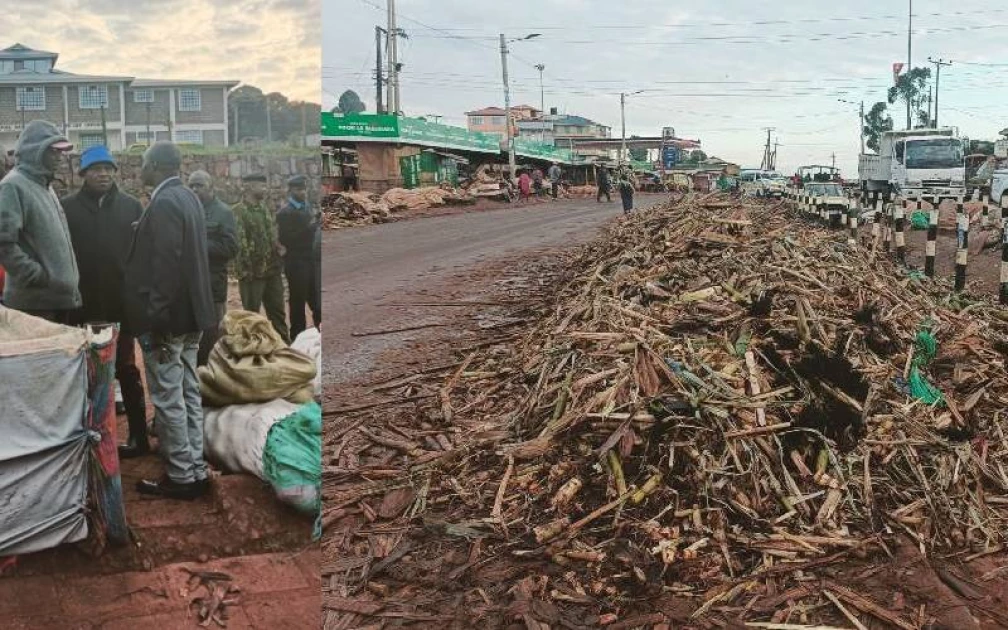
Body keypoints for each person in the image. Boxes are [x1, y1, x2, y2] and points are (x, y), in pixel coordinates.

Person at [124, 141, 215, 500]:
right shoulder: (188, 198)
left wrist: (155, 316)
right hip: (193, 316)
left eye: (144, 163)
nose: (140, 169)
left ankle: (180, 476)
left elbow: (167, 264)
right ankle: (194, 467)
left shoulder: (163, 203)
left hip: (169, 320)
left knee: (168, 397)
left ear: (158, 166)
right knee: (189, 391)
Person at [62, 145, 150, 458]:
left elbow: (143, 255)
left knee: (126, 368)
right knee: (87, 374)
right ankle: (89, 438)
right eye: (95, 169)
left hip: (120, 305)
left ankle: (139, 437)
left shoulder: (130, 208)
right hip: (82, 306)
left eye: (108, 168)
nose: (103, 174)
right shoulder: (67, 208)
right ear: (83, 174)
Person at [0, 120, 80, 322]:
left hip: (55, 301)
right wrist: (37, 277)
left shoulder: (45, 185)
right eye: (53, 151)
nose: (59, 157)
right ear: (35, 151)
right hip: (34, 305)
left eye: (61, 152)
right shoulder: (13, 185)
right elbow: (4, 243)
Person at [188, 170, 238, 366]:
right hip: (190, 284)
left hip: (212, 283)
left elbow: (231, 247)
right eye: (191, 185)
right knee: (192, 334)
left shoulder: (223, 212)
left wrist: (199, 244)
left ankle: (212, 377)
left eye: (199, 185)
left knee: (212, 334)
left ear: (211, 187)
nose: (194, 189)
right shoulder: (188, 209)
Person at [233, 173, 289, 343]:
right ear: (249, 187)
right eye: (261, 186)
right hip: (252, 274)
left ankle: (284, 348)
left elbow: (270, 236)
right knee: (251, 317)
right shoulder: (238, 212)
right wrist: (245, 271)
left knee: (278, 313)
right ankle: (252, 354)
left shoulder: (263, 208)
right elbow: (240, 246)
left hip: (271, 270)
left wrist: (278, 249)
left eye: (265, 186)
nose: (265, 189)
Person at [276, 174, 320, 340]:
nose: (302, 192)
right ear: (291, 190)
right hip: (295, 262)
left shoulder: (306, 207)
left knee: (316, 301)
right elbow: (286, 239)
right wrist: (310, 228)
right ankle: (297, 338)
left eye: (304, 189)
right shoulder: (285, 213)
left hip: (309, 260)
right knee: (297, 303)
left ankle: (319, 334)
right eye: (298, 189)